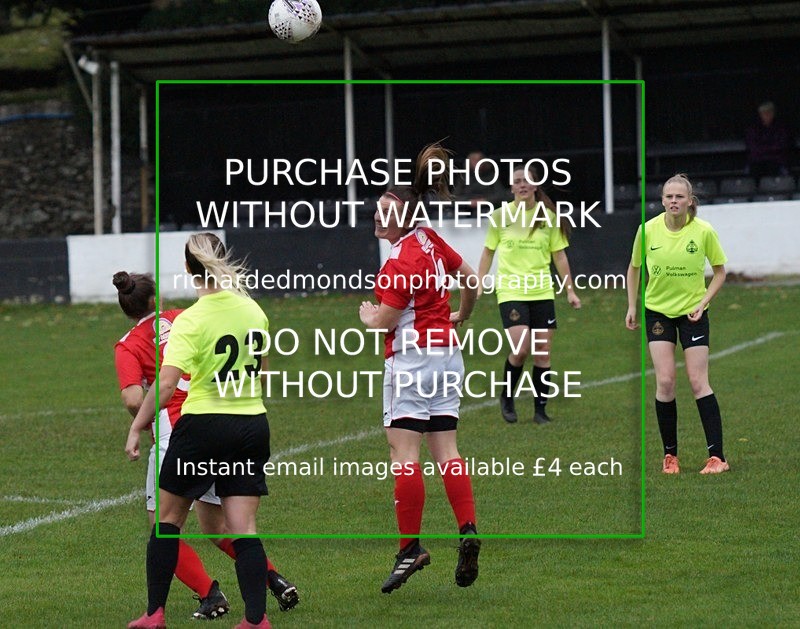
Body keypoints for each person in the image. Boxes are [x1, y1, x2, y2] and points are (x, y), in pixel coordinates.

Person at [113, 271, 299, 623]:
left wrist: (144, 419)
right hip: (226, 419)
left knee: (163, 524)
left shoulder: (129, 344)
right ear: (158, 300)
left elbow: (133, 397)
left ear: (126, 307)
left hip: (179, 432)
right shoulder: (187, 316)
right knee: (220, 524)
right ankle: (272, 579)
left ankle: (205, 595)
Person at [358, 143, 481, 594]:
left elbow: (387, 320)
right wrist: (461, 315)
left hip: (410, 360)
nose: (376, 217)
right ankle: (467, 528)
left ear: (401, 218)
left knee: (404, 455)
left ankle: (410, 547)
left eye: (382, 212)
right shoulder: (429, 240)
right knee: (446, 449)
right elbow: (472, 281)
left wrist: (369, 316)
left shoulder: (396, 262)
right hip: (447, 355)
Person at [625, 174, 730, 475]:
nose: (674, 201)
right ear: (662, 200)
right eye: (669, 196)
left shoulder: (704, 232)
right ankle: (670, 457)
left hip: (692, 313)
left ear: (689, 201)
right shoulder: (647, 231)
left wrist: (703, 302)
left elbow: (720, 272)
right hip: (657, 312)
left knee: (698, 381)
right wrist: (632, 305)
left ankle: (718, 458)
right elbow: (633, 269)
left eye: (679, 197)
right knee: (666, 381)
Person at [477, 165, 581, 425]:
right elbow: (488, 251)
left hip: (542, 291)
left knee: (543, 352)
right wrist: (478, 281)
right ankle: (507, 397)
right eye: (517, 181)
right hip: (511, 290)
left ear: (535, 186)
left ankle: (540, 412)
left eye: (527, 181)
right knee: (521, 348)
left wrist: (570, 290)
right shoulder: (500, 216)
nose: (522, 184)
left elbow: (559, 255)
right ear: (511, 188)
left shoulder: (548, 217)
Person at [744, 101, 793, 177]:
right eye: (763, 113)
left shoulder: (781, 128)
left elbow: (782, 146)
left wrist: (765, 150)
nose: (766, 115)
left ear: (773, 113)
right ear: (760, 114)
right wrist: (767, 151)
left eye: (769, 112)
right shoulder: (753, 128)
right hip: (757, 161)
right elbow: (752, 147)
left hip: (777, 161)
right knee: (753, 171)